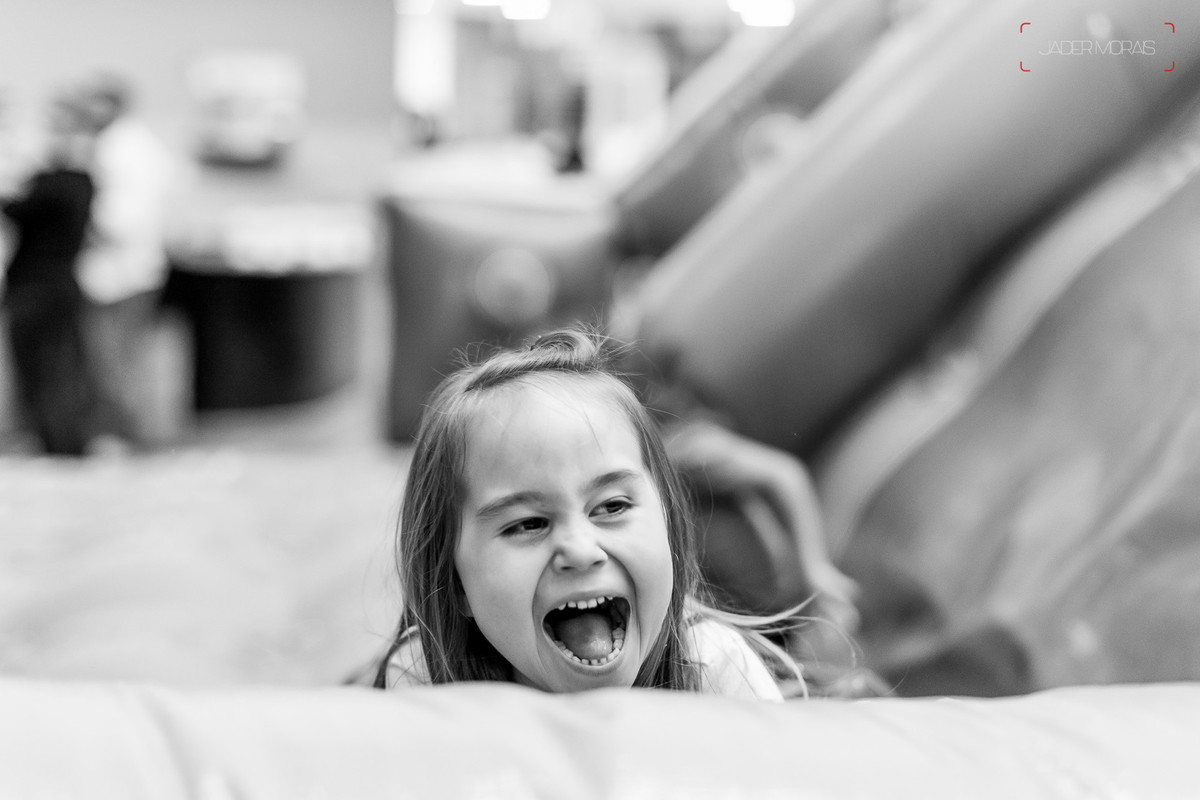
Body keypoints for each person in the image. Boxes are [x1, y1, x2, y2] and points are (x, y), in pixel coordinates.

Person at [372, 327, 806, 698]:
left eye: (612, 506)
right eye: (528, 524)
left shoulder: (715, 671)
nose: (581, 551)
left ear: (670, 532)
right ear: (455, 585)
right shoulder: (426, 682)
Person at [74, 72, 175, 449]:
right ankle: (130, 434)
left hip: (119, 274)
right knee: (122, 357)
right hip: (130, 270)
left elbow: (121, 221)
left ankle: (124, 435)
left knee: (113, 360)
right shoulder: (136, 146)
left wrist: (73, 224)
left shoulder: (122, 151)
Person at [1, 90, 98, 455]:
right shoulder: (85, 181)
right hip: (64, 284)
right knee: (63, 367)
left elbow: (15, 209)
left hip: (35, 286)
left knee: (41, 371)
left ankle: (55, 441)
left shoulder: (54, 183)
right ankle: (65, 440)